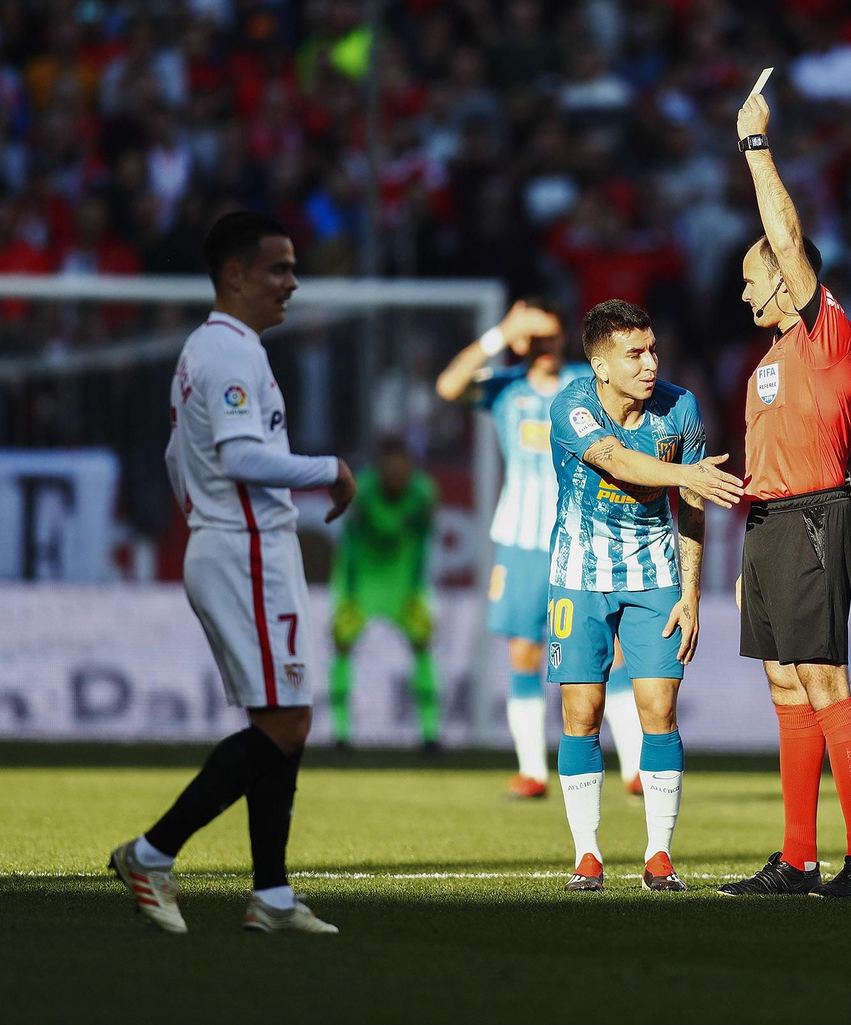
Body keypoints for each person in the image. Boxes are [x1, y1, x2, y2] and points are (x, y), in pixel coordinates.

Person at [109, 211, 354, 934]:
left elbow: (176, 456)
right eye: (278, 267)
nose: (292, 281)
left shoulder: (214, 351)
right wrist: (330, 469)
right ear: (235, 274)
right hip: (244, 545)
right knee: (287, 718)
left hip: (239, 543)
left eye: (292, 267)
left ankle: (272, 895)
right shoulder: (225, 354)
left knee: (283, 718)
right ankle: (151, 852)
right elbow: (241, 458)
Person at [720, 91, 851, 899]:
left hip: (817, 515)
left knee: (826, 684)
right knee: (786, 684)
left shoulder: (827, 332)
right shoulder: (770, 359)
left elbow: (784, 235)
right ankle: (796, 858)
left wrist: (754, 143)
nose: (745, 291)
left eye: (754, 278)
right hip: (772, 521)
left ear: (787, 279)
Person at [545, 299, 743, 892]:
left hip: (656, 576)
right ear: (601, 365)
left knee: (658, 710)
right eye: (634, 354)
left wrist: (692, 592)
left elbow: (692, 506)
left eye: (652, 349)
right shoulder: (572, 406)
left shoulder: (679, 408)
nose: (650, 363)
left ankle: (659, 856)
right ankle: (587, 855)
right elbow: (615, 461)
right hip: (578, 576)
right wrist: (688, 473)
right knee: (582, 714)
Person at [435, 301, 647, 800]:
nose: (544, 348)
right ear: (520, 342)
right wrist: (500, 334)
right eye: (534, 339)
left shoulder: (585, 382)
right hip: (522, 539)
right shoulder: (505, 385)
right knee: (525, 651)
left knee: (609, 651)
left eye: (551, 337)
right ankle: (533, 771)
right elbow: (447, 387)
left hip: (583, 534)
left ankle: (634, 767)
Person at [327, 435, 442, 750]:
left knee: (423, 647)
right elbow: (350, 537)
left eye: (401, 470)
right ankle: (341, 735)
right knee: (342, 647)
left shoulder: (423, 492)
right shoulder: (361, 490)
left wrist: (420, 587)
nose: (395, 477)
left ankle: (430, 735)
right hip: (362, 582)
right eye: (389, 470)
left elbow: (425, 536)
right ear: (379, 469)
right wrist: (344, 590)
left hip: (404, 584)